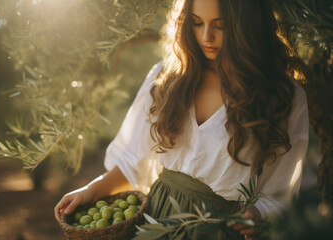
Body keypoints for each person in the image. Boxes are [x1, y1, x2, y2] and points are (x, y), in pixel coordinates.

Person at [54, 0, 309, 239]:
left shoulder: (282, 97)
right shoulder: (167, 79)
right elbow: (133, 160)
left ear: (248, 26)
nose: (206, 36)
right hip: (155, 222)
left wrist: (253, 216)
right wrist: (90, 190)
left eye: (221, 25)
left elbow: (279, 192)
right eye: (197, 22)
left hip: (219, 230)